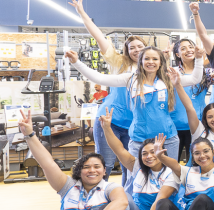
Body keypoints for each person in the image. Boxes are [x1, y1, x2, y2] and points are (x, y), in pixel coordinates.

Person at [68, 50, 205, 169]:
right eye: (147, 58)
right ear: (141, 61)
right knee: (137, 178)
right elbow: (100, 78)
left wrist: (198, 58)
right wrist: (76, 62)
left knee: (170, 178)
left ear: (160, 62)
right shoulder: (130, 79)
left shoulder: (169, 79)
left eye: (155, 59)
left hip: (167, 139)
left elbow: (195, 79)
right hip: (139, 139)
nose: (150, 62)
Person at [69, 0, 146, 183]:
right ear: (127, 51)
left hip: (134, 126)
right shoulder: (118, 62)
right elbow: (98, 36)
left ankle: (127, 204)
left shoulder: (150, 68)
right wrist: (83, 14)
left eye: (140, 46)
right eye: (132, 47)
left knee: (132, 168)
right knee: (105, 165)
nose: (136, 50)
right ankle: (95, 201)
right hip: (109, 121)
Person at [98, 110, 176, 210]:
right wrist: (107, 128)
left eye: (153, 152)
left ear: (161, 153)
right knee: (123, 195)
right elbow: (118, 149)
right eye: (144, 154)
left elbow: (161, 199)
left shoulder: (171, 172)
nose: (149, 156)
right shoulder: (137, 168)